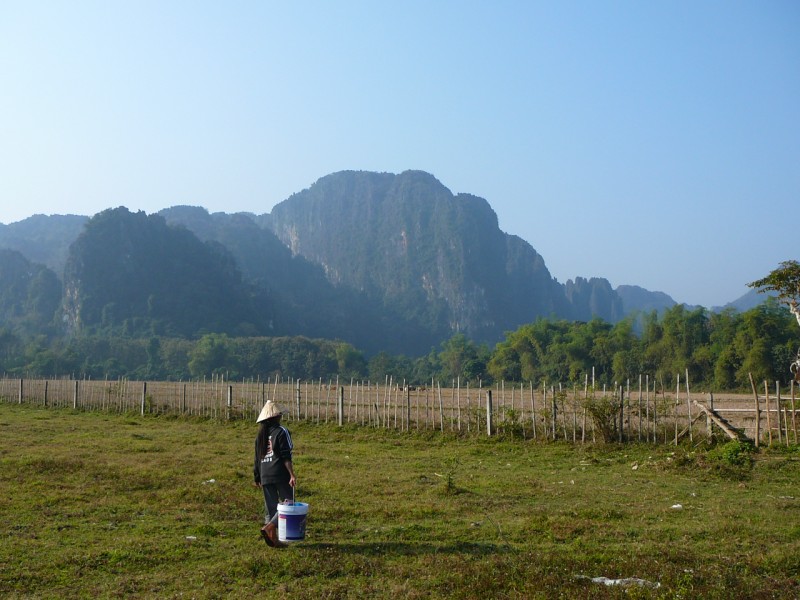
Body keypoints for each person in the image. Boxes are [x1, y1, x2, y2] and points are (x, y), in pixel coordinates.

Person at [253, 401, 296, 548]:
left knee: (270, 507)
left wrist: (257, 476)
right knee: (289, 502)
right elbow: (285, 455)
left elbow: (257, 458)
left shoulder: (260, 436)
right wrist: (291, 474)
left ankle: (272, 539)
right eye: (279, 414)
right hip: (279, 472)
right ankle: (269, 527)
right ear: (275, 417)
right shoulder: (281, 431)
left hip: (265, 473)